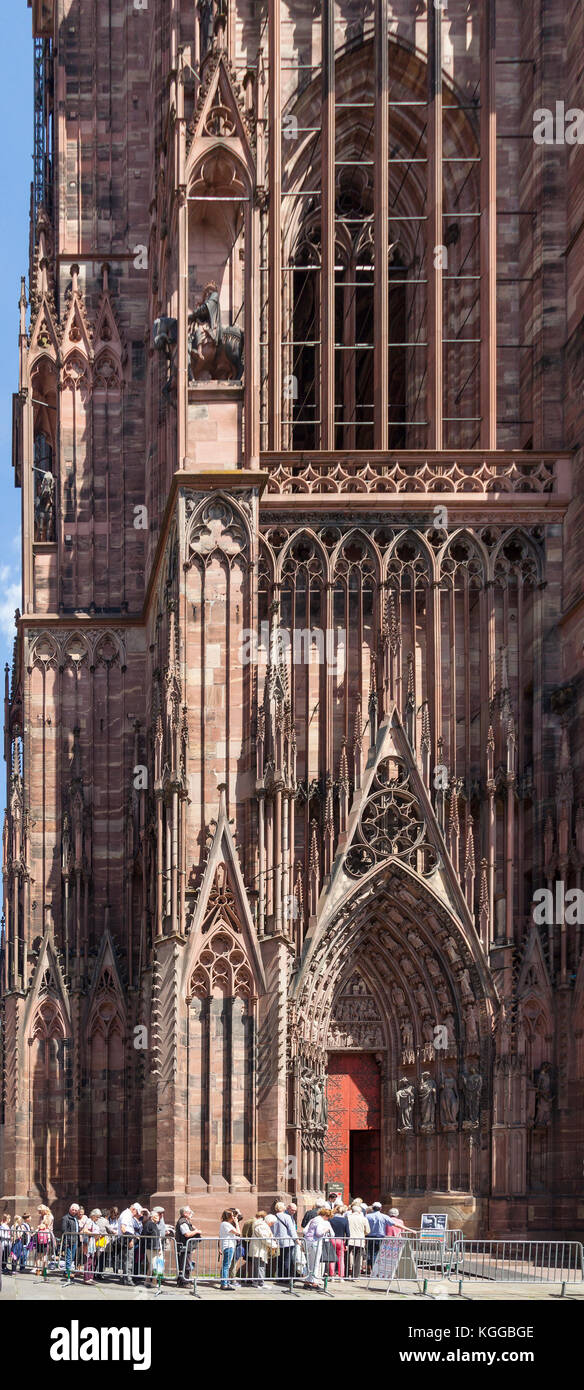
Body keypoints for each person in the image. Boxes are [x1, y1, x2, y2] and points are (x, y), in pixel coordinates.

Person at [303, 1207, 335, 1288]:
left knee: (309, 1263)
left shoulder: (313, 1219)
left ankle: (307, 1281)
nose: (327, 1219)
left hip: (308, 1241)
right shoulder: (321, 1221)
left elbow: (305, 1231)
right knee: (316, 1263)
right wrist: (326, 1230)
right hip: (316, 1243)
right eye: (328, 1217)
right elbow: (319, 1233)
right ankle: (314, 1283)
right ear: (325, 1215)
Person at [175, 1206, 201, 1286]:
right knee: (185, 1265)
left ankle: (183, 1281)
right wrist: (196, 1231)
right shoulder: (183, 1222)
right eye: (189, 1212)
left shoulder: (186, 1221)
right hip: (184, 1247)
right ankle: (184, 1282)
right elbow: (187, 1234)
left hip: (186, 1247)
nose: (191, 1214)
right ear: (185, 1213)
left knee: (185, 1264)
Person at [117, 1202, 142, 1286]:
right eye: (137, 1212)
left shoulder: (127, 1214)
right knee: (128, 1260)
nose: (136, 1215)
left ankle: (126, 1278)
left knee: (127, 1260)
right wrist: (130, 1239)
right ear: (133, 1209)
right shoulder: (127, 1215)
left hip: (127, 1239)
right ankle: (127, 1279)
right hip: (127, 1239)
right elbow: (123, 1229)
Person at [273, 1200, 297, 1283]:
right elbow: (291, 1229)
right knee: (287, 1260)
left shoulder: (273, 1217)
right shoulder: (287, 1217)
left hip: (277, 1242)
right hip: (287, 1242)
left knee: (279, 1260)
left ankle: (280, 1277)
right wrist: (296, 1239)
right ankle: (286, 1278)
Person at [346, 1199, 370, 1279]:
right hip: (359, 1240)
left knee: (347, 1256)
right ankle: (355, 1276)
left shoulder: (348, 1217)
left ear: (352, 1211)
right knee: (357, 1257)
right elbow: (368, 1230)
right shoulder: (364, 1219)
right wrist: (363, 1234)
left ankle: (346, 1274)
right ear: (360, 1211)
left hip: (349, 1239)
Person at [248, 1211, 273, 1287]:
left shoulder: (258, 1224)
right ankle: (260, 1283)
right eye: (272, 1223)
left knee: (258, 1266)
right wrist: (273, 1245)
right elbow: (265, 1238)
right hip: (259, 1249)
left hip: (258, 1248)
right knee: (260, 1266)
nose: (272, 1225)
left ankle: (256, 1282)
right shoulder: (261, 1226)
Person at [366, 1201, 392, 1271]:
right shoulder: (384, 1216)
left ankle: (370, 1268)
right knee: (376, 1253)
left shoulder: (367, 1216)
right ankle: (374, 1269)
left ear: (373, 1208)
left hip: (369, 1236)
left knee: (369, 1252)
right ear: (380, 1208)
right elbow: (393, 1223)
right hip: (379, 1237)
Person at [142, 1208, 164, 1288]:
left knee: (152, 1264)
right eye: (157, 1216)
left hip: (151, 1247)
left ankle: (147, 1281)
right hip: (153, 1247)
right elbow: (154, 1237)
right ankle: (154, 1282)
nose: (158, 1217)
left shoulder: (149, 1224)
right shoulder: (152, 1224)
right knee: (156, 1265)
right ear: (152, 1217)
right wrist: (158, 1249)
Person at [219, 1209, 239, 1290]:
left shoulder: (225, 1224)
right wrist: (237, 1223)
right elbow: (238, 1232)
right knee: (226, 1266)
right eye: (232, 1215)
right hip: (228, 1246)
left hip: (229, 1246)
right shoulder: (225, 1224)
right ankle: (224, 1284)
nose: (234, 1217)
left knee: (227, 1265)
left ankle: (225, 1283)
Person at [329, 1203, 350, 1280]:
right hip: (341, 1240)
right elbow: (348, 1233)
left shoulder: (331, 1219)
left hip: (332, 1239)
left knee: (332, 1258)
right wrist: (347, 1244)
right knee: (341, 1259)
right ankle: (341, 1276)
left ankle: (332, 1276)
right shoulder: (345, 1220)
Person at [61, 1203, 80, 1280]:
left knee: (71, 1257)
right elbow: (64, 1231)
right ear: (70, 1209)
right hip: (69, 1241)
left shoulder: (75, 1218)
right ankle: (67, 1272)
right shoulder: (65, 1218)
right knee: (69, 1257)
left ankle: (67, 1271)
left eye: (76, 1210)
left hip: (75, 1240)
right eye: (73, 1209)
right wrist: (66, 1242)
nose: (74, 1211)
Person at [82, 1210, 102, 1283]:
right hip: (88, 1243)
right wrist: (94, 1234)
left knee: (93, 1261)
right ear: (93, 1215)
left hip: (93, 1243)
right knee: (88, 1261)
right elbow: (85, 1230)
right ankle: (87, 1278)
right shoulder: (89, 1221)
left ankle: (90, 1277)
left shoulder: (93, 1222)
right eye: (97, 1217)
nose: (98, 1218)